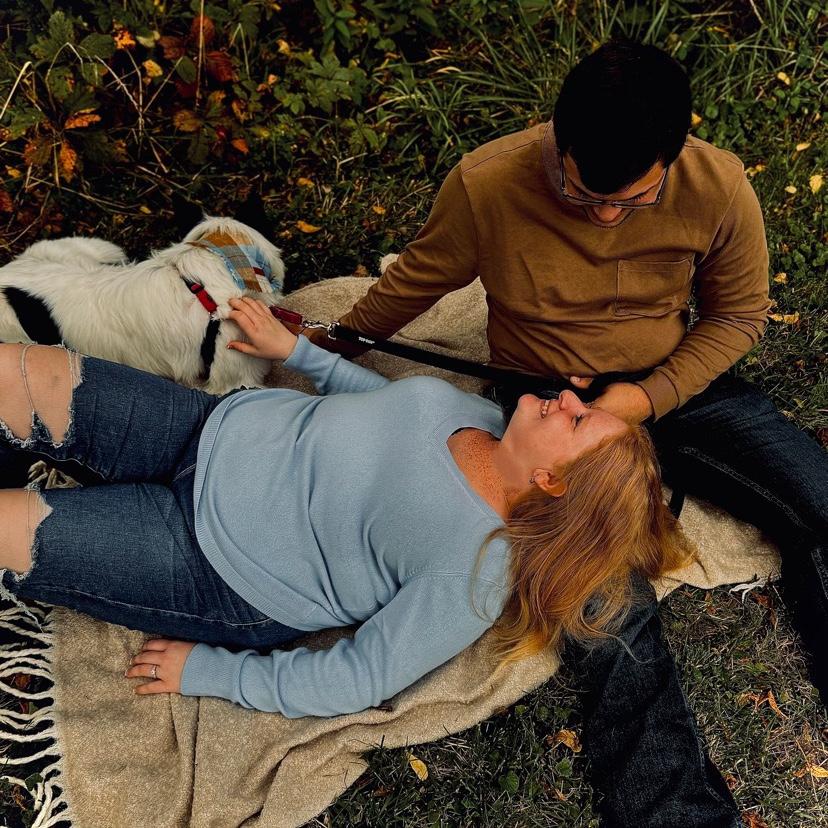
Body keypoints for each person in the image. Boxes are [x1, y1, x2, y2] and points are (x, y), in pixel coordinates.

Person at [304, 39, 827, 826]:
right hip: (549, 401)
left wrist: (647, 397)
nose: (607, 216)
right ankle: (675, 814)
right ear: (559, 138)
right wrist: (329, 342)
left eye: (634, 201)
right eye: (583, 194)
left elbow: (739, 314)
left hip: (673, 382)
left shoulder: (719, 186)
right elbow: (417, 280)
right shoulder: (488, 183)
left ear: (674, 154)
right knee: (603, 597)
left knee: (816, 496)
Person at [0, 297, 691, 718]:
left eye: (577, 420)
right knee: (15, 371)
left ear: (551, 482)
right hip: (206, 429)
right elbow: (381, 405)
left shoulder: (474, 573)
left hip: (211, 562)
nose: (568, 397)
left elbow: (361, 677)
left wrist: (213, 672)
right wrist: (297, 352)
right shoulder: (485, 418)